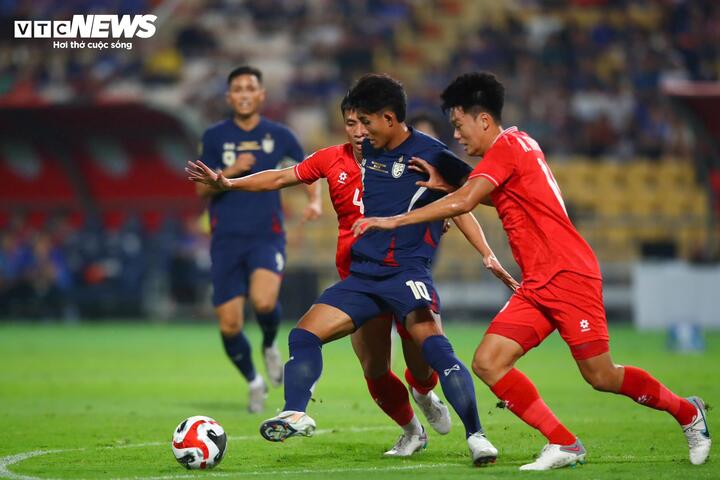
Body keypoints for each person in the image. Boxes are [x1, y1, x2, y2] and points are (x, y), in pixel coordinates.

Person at [353, 72, 712, 470]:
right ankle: (564, 442)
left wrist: (394, 220)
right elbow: (497, 198)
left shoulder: (506, 148)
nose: (457, 135)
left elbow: (468, 200)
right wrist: (446, 186)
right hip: (538, 282)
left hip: (569, 276)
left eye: (458, 125)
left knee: (601, 375)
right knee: (489, 361)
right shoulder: (518, 146)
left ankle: (687, 412)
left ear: (483, 120)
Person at [187, 93, 518, 457]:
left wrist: (486, 252)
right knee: (370, 366)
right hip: (359, 275)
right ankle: (397, 429)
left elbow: (463, 201)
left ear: (383, 120)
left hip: (406, 274)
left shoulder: (411, 155)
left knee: (426, 362)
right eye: (351, 123)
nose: (359, 131)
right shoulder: (333, 159)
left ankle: (447, 411)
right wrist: (231, 183)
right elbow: (282, 176)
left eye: (366, 122)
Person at [196, 65, 322, 413]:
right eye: (237, 88)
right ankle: (254, 381)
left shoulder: (279, 135)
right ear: (229, 96)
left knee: (264, 303)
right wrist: (233, 170)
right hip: (225, 241)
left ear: (261, 95)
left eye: (251, 87)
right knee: (230, 323)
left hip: (267, 236)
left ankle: (268, 343)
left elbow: (311, 170)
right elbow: (198, 188)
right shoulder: (214, 137)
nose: (244, 93)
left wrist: (314, 201)